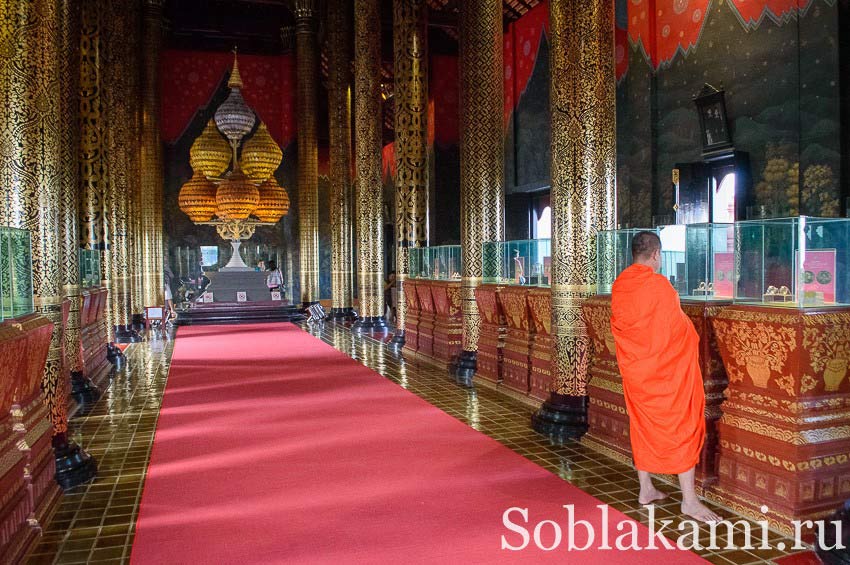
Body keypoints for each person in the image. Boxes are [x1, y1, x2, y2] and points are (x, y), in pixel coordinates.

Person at [609, 231, 721, 523]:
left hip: (637, 371)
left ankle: (646, 488)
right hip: (666, 374)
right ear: (656, 254)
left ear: (633, 254)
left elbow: (624, 328)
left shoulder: (620, 284)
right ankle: (689, 500)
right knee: (681, 425)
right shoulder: (659, 286)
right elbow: (678, 328)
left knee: (642, 423)